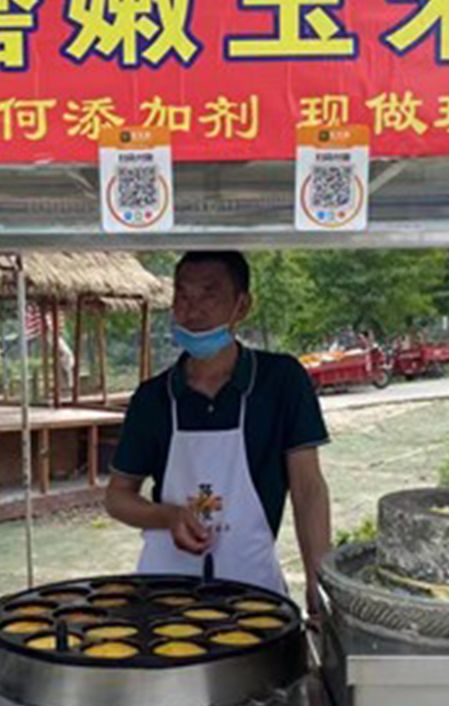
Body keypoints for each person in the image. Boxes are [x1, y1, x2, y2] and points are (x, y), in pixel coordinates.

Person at [105, 251, 332, 616]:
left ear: (242, 305)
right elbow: (117, 498)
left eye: (209, 294)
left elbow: (308, 490)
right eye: (182, 295)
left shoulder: (281, 381)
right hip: (164, 591)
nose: (192, 310)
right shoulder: (153, 397)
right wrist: (168, 517)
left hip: (254, 590)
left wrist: (318, 582)